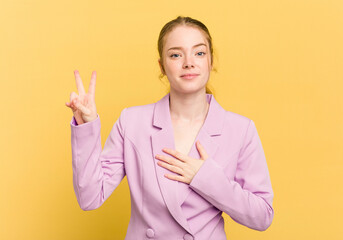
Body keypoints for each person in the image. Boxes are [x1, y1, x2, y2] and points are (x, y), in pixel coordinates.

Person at [65, 16, 274, 240]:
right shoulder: (132, 122)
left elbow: (262, 216)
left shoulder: (241, 130)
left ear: (211, 61)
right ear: (162, 66)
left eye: (199, 53)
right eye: (176, 54)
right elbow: (90, 197)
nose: (188, 62)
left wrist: (206, 178)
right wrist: (87, 125)